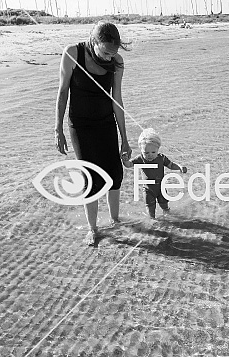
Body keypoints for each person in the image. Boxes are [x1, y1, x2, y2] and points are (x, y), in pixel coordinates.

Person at [55, 21, 132, 246]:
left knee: (115, 175)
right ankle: (93, 229)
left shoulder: (117, 61)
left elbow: (117, 99)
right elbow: (62, 94)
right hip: (81, 126)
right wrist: (58, 129)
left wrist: (125, 139)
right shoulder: (72, 54)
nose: (110, 57)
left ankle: (116, 222)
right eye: (106, 52)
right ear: (94, 42)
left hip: (106, 122)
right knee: (91, 179)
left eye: (113, 53)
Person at [122, 128, 187, 219]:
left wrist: (179, 167)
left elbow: (171, 165)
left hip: (161, 189)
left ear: (158, 149)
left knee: (165, 208)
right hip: (148, 190)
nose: (150, 155)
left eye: (153, 152)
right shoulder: (140, 159)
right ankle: (153, 225)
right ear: (141, 150)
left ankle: (169, 220)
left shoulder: (161, 158)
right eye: (146, 152)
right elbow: (129, 165)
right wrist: (125, 160)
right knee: (150, 212)